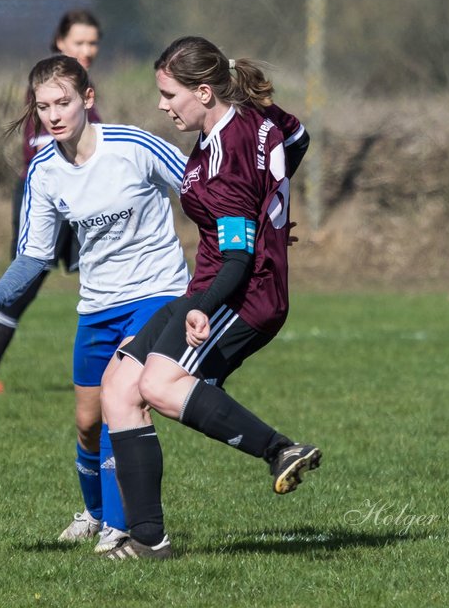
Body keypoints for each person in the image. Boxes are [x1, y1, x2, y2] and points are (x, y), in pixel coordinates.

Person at [98, 36, 319, 560]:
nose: (162, 105)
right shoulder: (255, 118)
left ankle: (279, 449)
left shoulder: (223, 164)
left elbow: (238, 258)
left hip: (240, 293)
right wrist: (272, 211)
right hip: (215, 285)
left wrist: (204, 304)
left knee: (158, 384)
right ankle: (149, 540)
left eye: (169, 94)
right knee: (118, 387)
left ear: (202, 91)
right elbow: (300, 137)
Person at [0, 54, 189, 553]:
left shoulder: (133, 147)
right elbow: (34, 255)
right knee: (87, 423)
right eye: (43, 106)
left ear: (87, 99)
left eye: (63, 102)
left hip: (157, 292)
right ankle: (93, 513)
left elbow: (200, 188)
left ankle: (120, 526)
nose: (53, 114)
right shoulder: (44, 171)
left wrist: (250, 231)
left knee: (121, 401)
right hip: (97, 304)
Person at [0, 9, 103, 396]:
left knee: (105, 279)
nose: (87, 50)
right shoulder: (50, 92)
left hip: (80, 199)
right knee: (23, 285)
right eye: (79, 42)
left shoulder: (83, 92)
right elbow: (40, 147)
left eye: (93, 43)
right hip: (49, 198)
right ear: (60, 43)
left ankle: (122, 368)